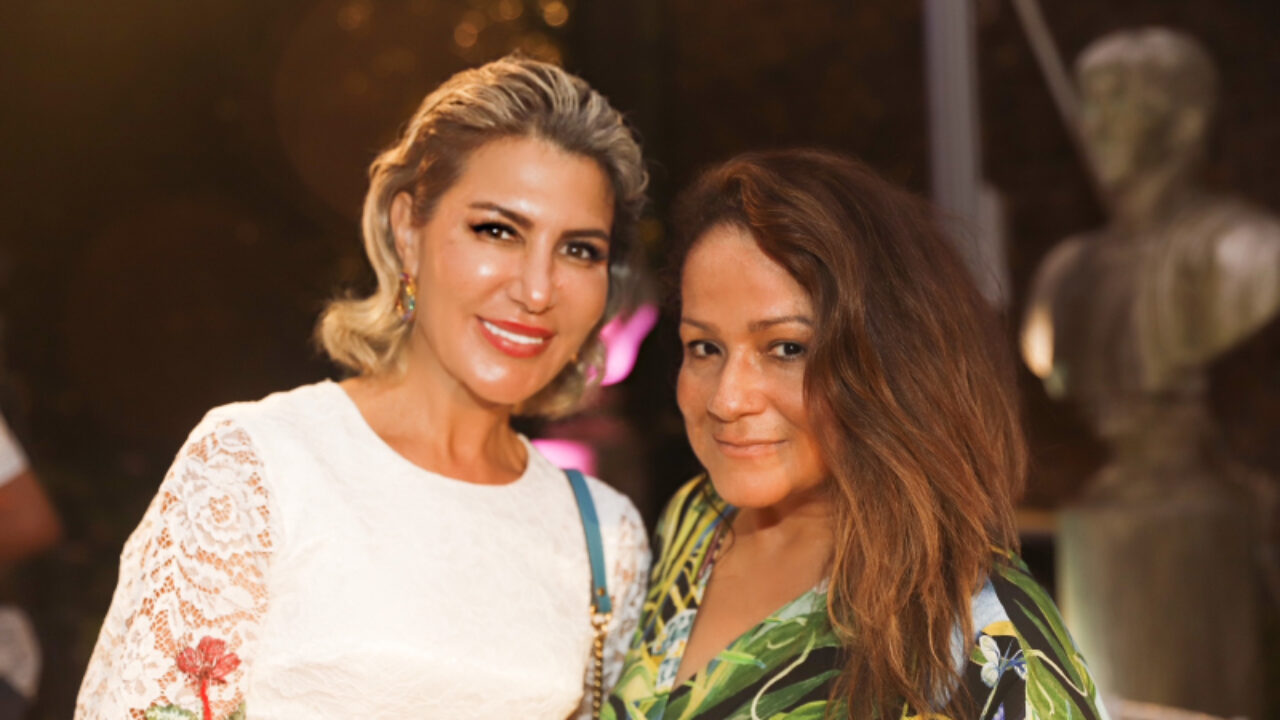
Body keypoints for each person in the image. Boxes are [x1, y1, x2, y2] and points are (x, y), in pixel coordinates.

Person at [76, 55, 650, 720]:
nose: (538, 289)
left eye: (580, 249)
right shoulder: (257, 466)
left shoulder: (606, 537)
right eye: (497, 230)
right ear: (408, 231)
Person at [606, 150, 1106, 720]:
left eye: (787, 348)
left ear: (892, 362)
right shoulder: (696, 522)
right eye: (705, 347)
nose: (727, 399)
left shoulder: (984, 639)